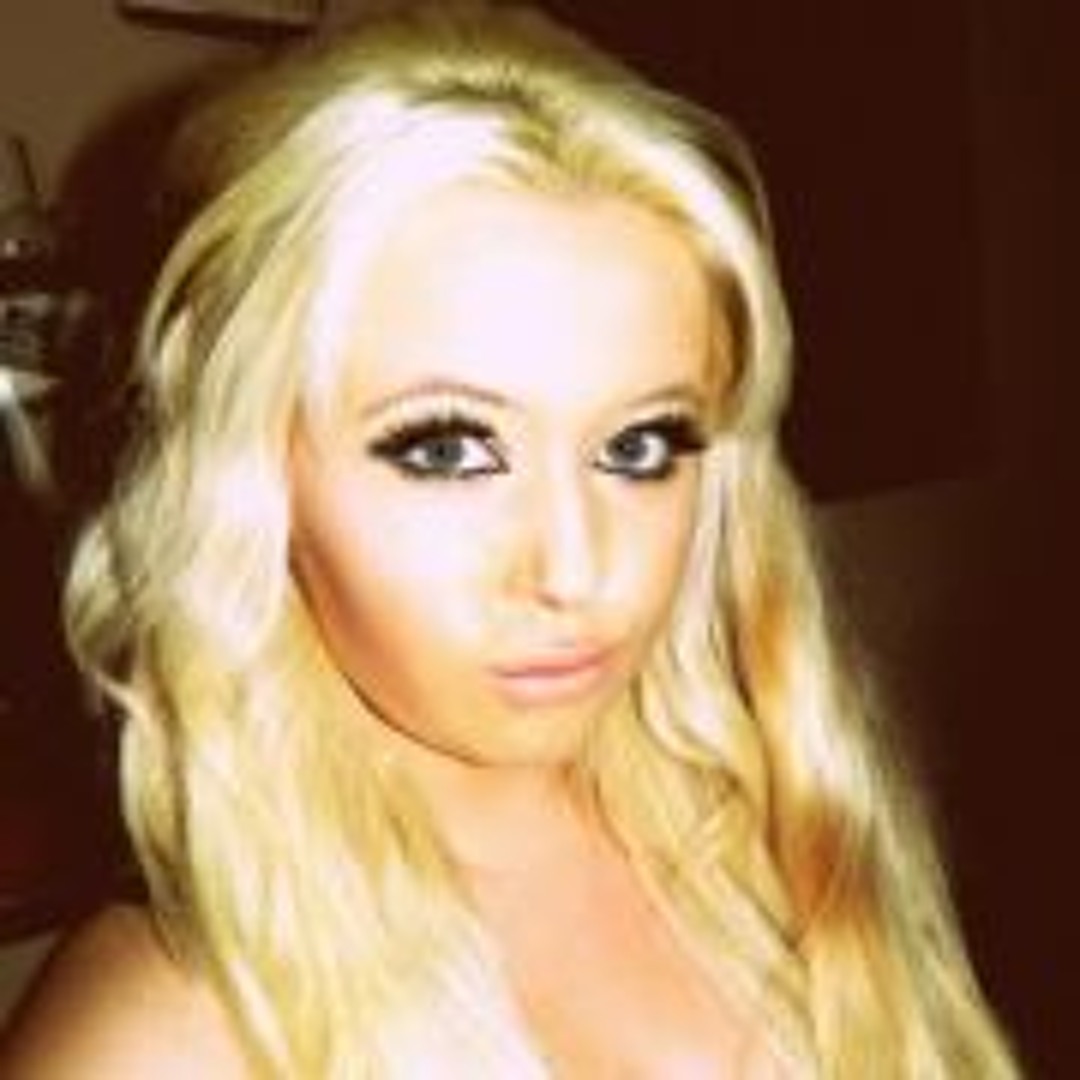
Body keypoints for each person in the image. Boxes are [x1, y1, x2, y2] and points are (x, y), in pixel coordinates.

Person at [0, 3, 1019, 1076]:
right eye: (447, 449)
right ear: (250, 470)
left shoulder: (780, 831)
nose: (576, 571)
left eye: (638, 445)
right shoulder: (157, 1039)